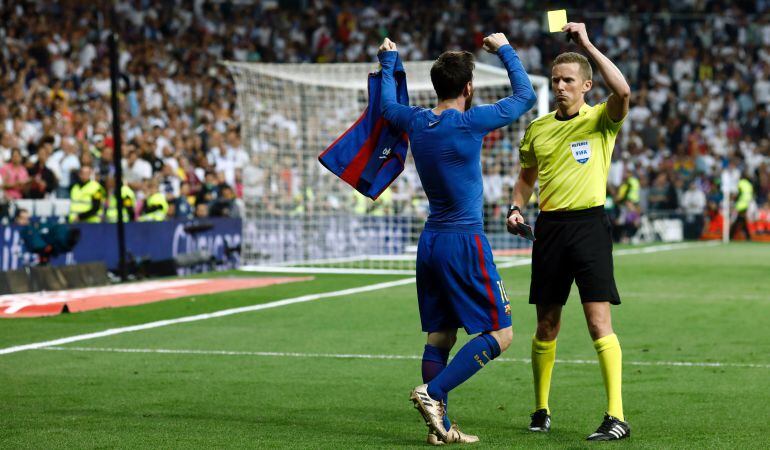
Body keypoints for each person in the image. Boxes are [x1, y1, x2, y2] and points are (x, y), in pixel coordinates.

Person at [379, 33, 536, 444]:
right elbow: (526, 97)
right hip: (464, 241)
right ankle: (433, 393)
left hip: (430, 242)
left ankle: (440, 428)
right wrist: (504, 49)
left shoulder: (415, 121)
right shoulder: (470, 122)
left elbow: (386, 107)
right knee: (502, 334)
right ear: (468, 88)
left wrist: (389, 63)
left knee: (441, 336)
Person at [505, 22, 631, 441]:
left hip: (590, 226)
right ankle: (540, 409)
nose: (560, 86)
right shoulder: (538, 128)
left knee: (599, 323)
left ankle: (616, 416)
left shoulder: (601, 120)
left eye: (568, 80)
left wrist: (587, 44)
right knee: (546, 325)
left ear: (587, 86)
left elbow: (625, 91)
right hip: (551, 228)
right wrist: (516, 207)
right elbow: (526, 178)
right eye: (556, 79)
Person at [730, 171, 754, 240]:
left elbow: (737, 193)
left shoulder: (740, 183)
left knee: (738, 219)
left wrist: (733, 200)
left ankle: (730, 235)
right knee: (741, 219)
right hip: (747, 204)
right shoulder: (749, 184)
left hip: (740, 204)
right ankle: (748, 236)